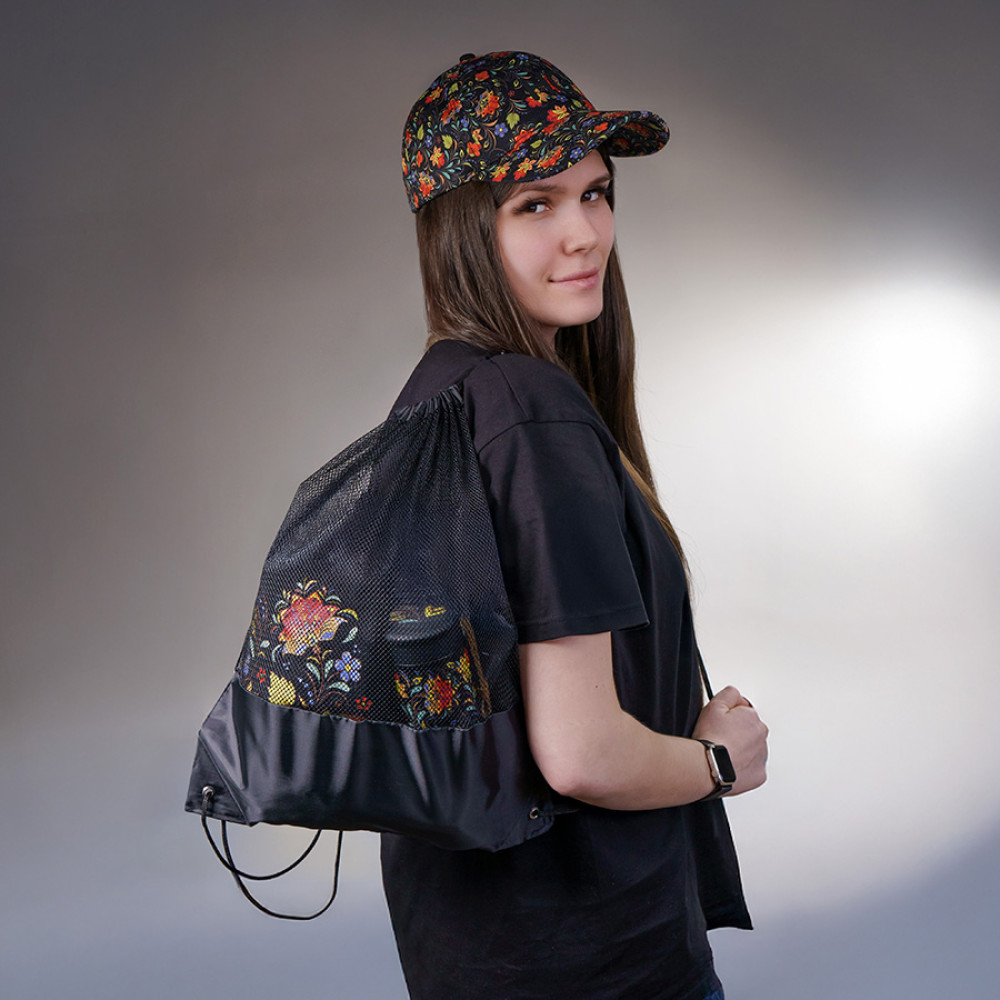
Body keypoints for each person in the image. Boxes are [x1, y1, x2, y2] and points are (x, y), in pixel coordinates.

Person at [381, 51, 769, 1000]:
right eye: (535, 205)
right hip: (598, 960)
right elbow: (583, 754)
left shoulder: (440, 397)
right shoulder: (531, 414)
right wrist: (718, 761)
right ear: (460, 231)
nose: (585, 233)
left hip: (477, 948)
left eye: (595, 194)